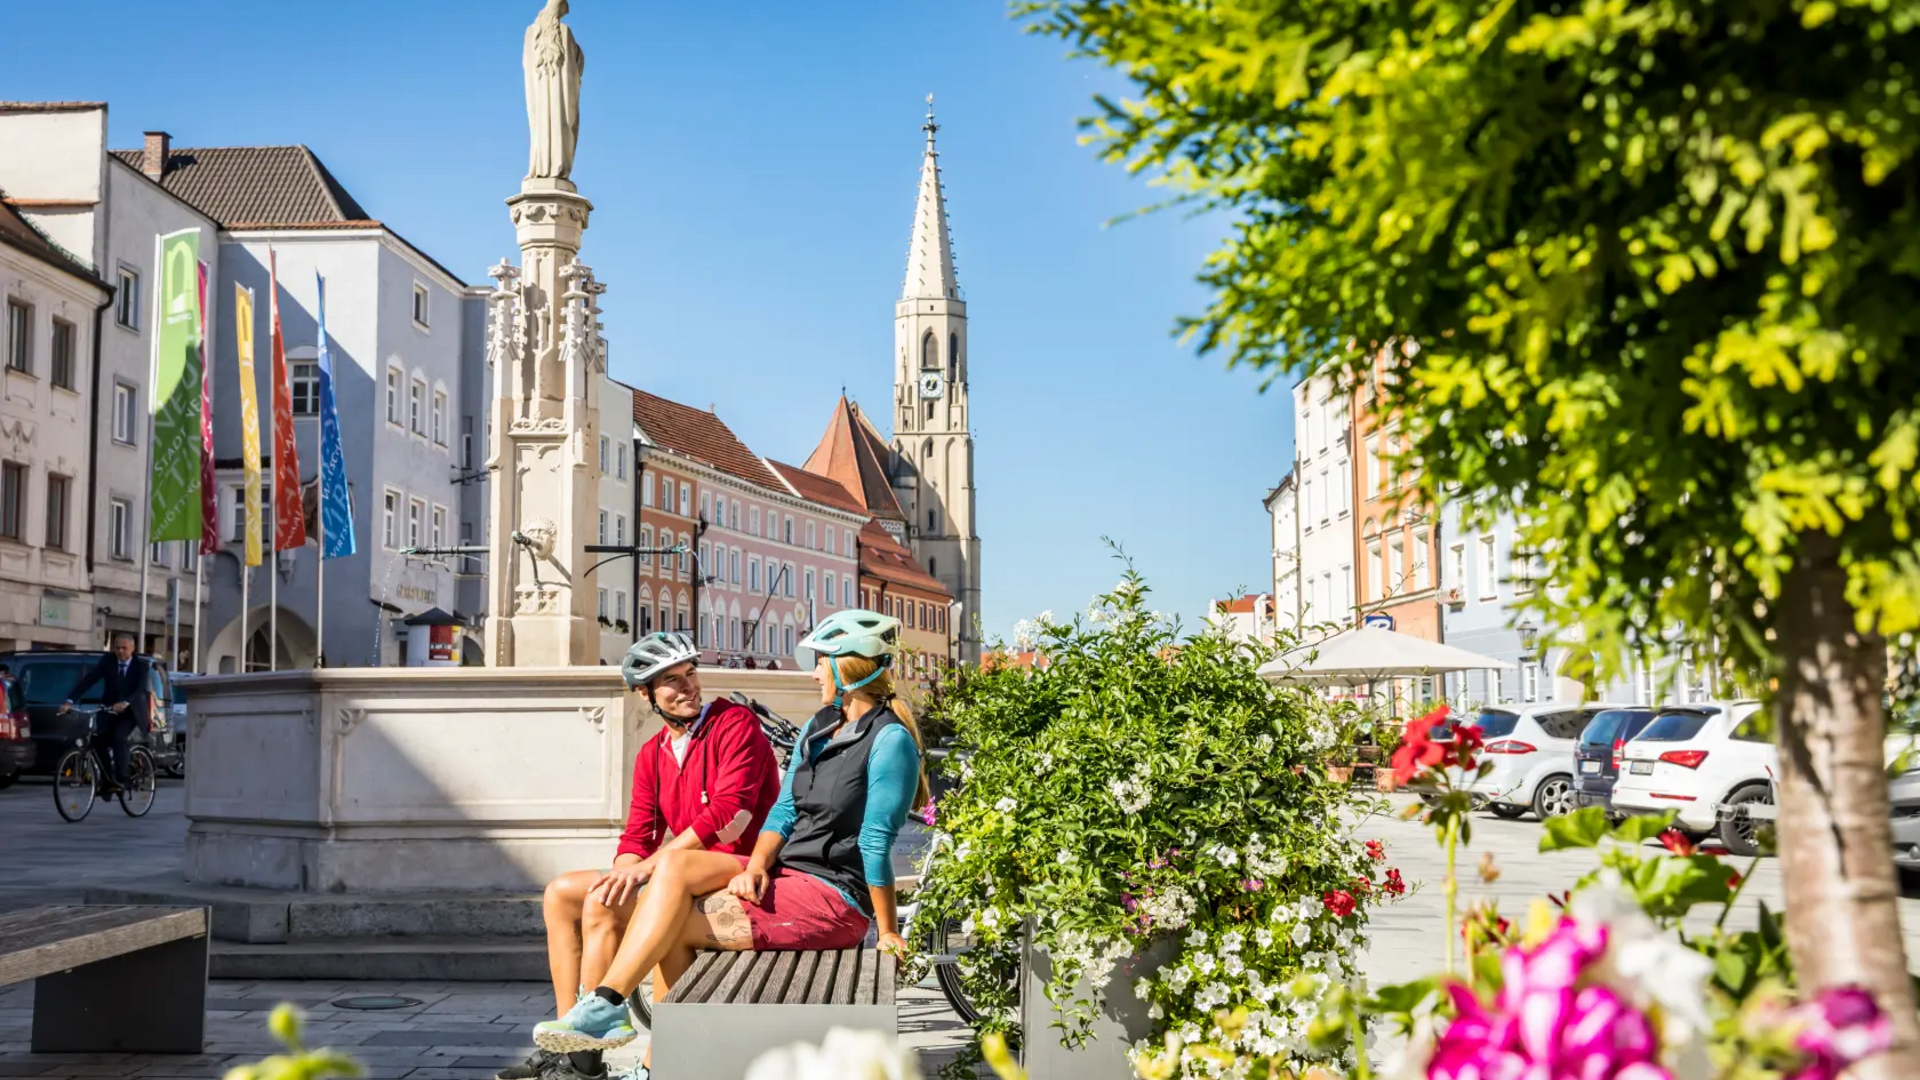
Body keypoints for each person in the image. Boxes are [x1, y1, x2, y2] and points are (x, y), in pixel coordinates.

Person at [529, 610, 927, 1079]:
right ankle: (619, 1039)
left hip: (836, 898)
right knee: (652, 889)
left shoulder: (890, 740)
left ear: (847, 667)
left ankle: (625, 1025)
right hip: (787, 878)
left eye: (821, 661)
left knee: (667, 913)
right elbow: (783, 810)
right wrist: (759, 863)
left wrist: (885, 931)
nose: (814, 671)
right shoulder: (820, 726)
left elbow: (874, 841)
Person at [497, 631, 781, 1080]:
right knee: (567, 894)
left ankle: (585, 1054)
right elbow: (637, 836)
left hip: (741, 864)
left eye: (690, 674)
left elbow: (733, 813)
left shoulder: (734, 722)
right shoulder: (654, 753)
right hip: (680, 868)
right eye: (671, 680)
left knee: (626, 887)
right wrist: (626, 872)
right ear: (644, 692)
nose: (687, 687)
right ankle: (576, 1045)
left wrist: (649, 867)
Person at [59, 634, 150, 794]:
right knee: (97, 740)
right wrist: (70, 701)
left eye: (124, 648)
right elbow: (90, 679)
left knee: (119, 737)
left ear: (133, 649)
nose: (120, 651)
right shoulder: (108, 661)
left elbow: (139, 690)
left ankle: (122, 778)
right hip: (109, 708)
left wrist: (126, 702)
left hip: (131, 710)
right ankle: (108, 780)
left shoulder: (141, 666)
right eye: (117, 647)